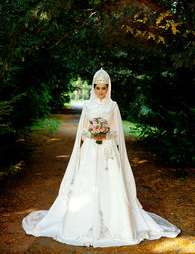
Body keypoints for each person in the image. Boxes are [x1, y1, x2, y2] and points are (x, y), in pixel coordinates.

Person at [22, 68, 181, 247]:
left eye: (103, 88)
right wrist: (92, 133)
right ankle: (82, 221)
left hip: (107, 150)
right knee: (87, 182)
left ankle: (116, 223)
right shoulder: (87, 106)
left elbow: (117, 132)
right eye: (97, 88)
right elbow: (82, 131)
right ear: (93, 87)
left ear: (108, 88)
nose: (100, 91)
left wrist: (104, 133)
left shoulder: (113, 106)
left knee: (111, 182)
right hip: (91, 149)